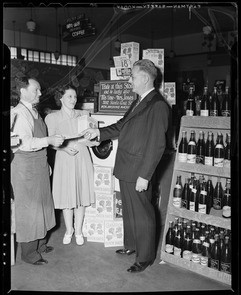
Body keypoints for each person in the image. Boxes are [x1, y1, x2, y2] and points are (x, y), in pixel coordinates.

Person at [81, 59, 170, 273]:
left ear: (145, 78)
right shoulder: (139, 101)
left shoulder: (158, 105)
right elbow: (122, 125)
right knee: (129, 211)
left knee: (142, 214)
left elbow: (157, 145)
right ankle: (131, 245)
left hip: (139, 170)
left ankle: (146, 256)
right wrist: (99, 133)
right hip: (126, 165)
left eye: (132, 75)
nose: (129, 79)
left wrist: (145, 176)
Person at [11, 76, 65, 265]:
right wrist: (49, 141)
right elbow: (24, 143)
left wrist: (46, 163)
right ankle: (28, 253)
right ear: (23, 91)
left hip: (39, 165)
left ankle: (41, 244)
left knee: (43, 205)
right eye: (36, 90)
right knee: (29, 210)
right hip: (25, 169)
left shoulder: (34, 111)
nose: (40, 93)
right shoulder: (19, 114)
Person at [45, 85, 95, 246]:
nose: (73, 100)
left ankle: (78, 230)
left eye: (74, 97)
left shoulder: (83, 115)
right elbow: (50, 142)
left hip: (82, 156)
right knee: (67, 196)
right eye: (69, 97)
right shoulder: (52, 118)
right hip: (64, 157)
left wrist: (92, 138)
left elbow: (91, 139)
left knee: (80, 195)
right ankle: (69, 230)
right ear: (61, 98)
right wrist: (65, 148)